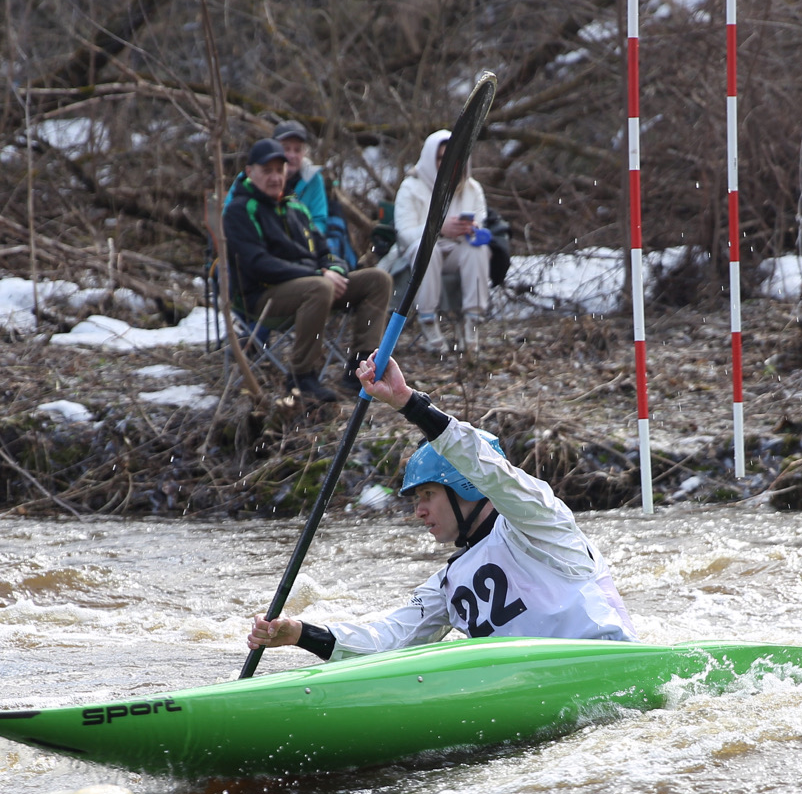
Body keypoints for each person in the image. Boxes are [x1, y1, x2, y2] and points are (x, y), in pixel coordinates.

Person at [246, 354, 637, 660]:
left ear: (463, 487)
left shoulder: (538, 521)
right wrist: (301, 633)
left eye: (427, 495)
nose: (418, 512)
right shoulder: (448, 584)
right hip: (532, 685)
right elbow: (390, 640)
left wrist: (409, 404)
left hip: (607, 659)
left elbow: (488, 468)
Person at [224, 138, 392, 403]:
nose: (274, 177)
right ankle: (302, 377)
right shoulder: (240, 210)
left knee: (377, 279)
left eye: (278, 170)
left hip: (313, 287)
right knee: (320, 287)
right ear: (249, 171)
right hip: (261, 297)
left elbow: (327, 252)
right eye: (266, 171)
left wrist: (333, 268)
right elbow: (258, 264)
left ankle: (361, 368)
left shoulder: (296, 207)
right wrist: (317, 275)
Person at [388, 129, 493, 357]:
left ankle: (472, 324)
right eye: (440, 157)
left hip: (456, 251)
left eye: (453, 156)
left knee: (477, 249)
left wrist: (470, 229)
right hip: (419, 252)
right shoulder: (411, 187)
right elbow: (405, 234)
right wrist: (437, 229)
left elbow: (481, 222)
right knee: (428, 250)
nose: (447, 163)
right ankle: (429, 324)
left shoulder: (471, 188)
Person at [270, 119, 358, 269]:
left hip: (305, 249)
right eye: (286, 149)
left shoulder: (313, 179)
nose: (292, 155)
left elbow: (319, 221)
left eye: (297, 150)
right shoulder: (258, 175)